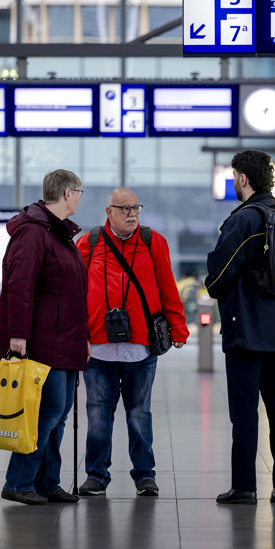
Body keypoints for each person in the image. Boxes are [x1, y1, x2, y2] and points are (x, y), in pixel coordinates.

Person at [76, 188, 189, 497]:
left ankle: (144, 475)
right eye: (124, 208)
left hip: (140, 346)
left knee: (139, 413)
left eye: (135, 207)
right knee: (99, 414)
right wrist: (76, 334)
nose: (131, 213)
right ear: (108, 212)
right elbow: (74, 290)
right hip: (97, 346)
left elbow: (167, 287)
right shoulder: (91, 242)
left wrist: (178, 328)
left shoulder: (153, 242)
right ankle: (96, 474)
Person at [0, 169, 90, 505]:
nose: (80, 196)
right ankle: (19, 482)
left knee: (58, 413)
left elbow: (69, 294)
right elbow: (19, 287)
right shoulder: (34, 233)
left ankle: (47, 481)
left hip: (63, 341)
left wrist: (83, 339)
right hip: (40, 342)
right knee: (46, 411)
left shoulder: (58, 234)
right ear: (66, 193)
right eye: (79, 191)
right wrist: (17, 334)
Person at [205, 150, 275, 506]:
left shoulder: (244, 219)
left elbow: (221, 269)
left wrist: (212, 284)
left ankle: (244, 486)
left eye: (234, 176)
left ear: (243, 178)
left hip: (245, 327)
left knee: (244, 411)